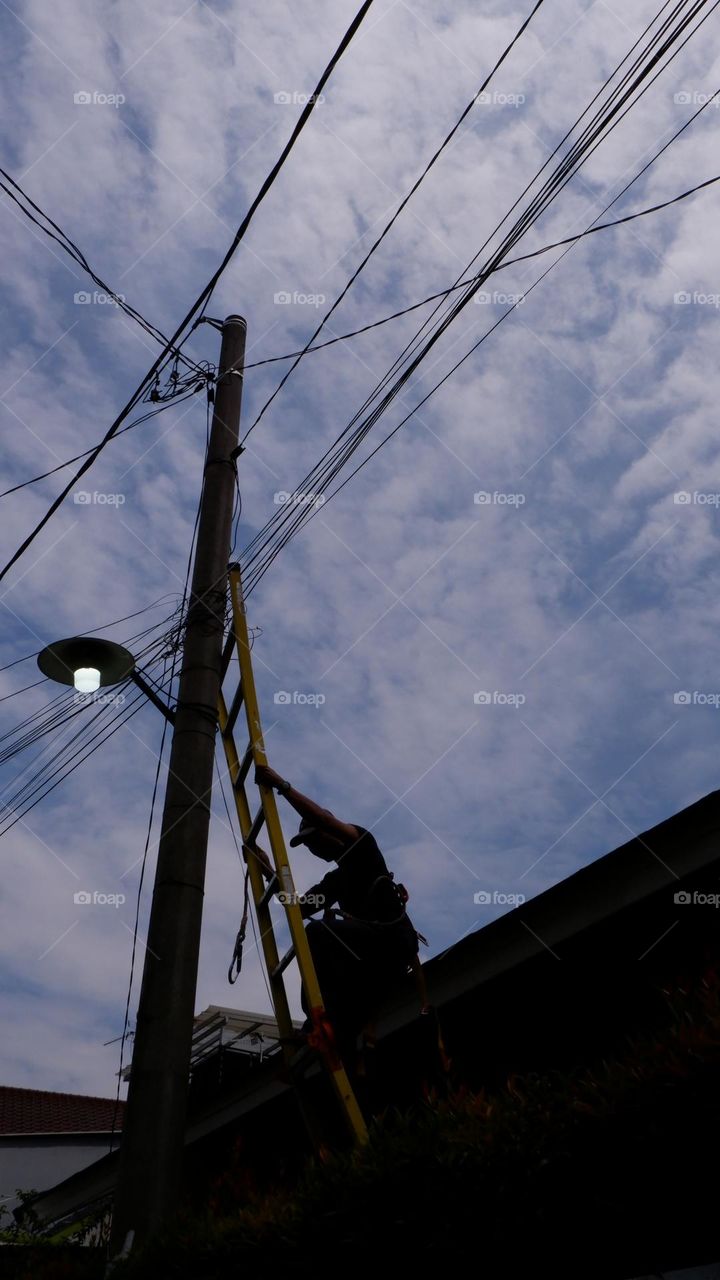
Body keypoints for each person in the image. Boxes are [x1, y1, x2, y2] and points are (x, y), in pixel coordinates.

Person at [254, 764, 420, 1058]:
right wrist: (267, 871)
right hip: (370, 955)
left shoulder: (362, 846)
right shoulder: (337, 881)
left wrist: (282, 785)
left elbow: (321, 817)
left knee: (319, 932)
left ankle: (320, 1018)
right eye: (309, 846)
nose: (314, 849)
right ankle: (327, 1026)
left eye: (315, 840)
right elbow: (299, 908)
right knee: (320, 939)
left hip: (394, 941)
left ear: (329, 831)